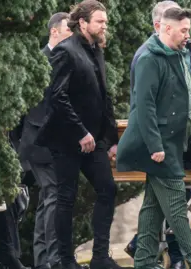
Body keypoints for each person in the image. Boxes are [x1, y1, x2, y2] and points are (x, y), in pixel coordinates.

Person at [116, 7, 191, 269]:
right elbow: (144, 106)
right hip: (158, 146)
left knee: (152, 208)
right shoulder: (149, 58)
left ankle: (144, 262)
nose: (187, 35)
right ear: (165, 27)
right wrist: (155, 146)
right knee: (176, 209)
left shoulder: (179, 54)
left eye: (189, 29)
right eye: (183, 30)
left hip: (173, 143)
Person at [35, 1, 128, 269]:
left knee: (107, 189)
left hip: (94, 140)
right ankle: (65, 260)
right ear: (83, 23)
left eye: (105, 22)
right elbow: (57, 97)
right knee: (66, 197)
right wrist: (80, 132)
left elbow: (104, 96)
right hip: (66, 140)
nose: (104, 26)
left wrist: (111, 139)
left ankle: (100, 257)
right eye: (99, 21)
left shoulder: (96, 49)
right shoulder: (65, 51)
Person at [14, 12, 72, 269]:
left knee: (49, 198)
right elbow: (20, 109)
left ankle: (43, 259)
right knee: (53, 194)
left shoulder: (66, 60)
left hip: (55, 144)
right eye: (68, 32)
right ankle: (52, 259)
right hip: (37, 143)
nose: (72, 38)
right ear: (54, 32)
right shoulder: (39, 62)